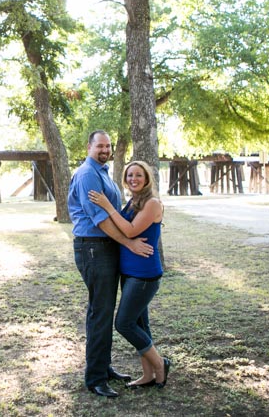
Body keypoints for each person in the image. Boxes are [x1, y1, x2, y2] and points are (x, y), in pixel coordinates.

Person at [68, 130, 154, 398]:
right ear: (89, 146)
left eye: (108, 146)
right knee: (101, 312)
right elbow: (100, 219)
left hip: (107, 247)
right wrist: (128, 243)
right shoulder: (87, 174)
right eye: (99, 146)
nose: (104, 149)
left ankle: (104, 368)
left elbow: (116, 214)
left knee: (106, 311)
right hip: (93, 247)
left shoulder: (103, 172)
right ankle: (95, 378)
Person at [88, 160, 170, 389]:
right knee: (140, 325)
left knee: (124, 323)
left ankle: (160, 364)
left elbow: (130, 230)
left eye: (138, 175)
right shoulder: (135, 202)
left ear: (147, 179)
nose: (134, 179)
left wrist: (107, 205)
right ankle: (148, 375)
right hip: (130, 273)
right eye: (130, 175)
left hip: (144, 275)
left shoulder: (153, 203)